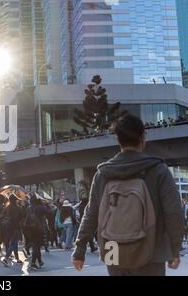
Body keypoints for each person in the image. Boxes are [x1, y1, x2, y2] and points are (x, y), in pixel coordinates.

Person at [72, 114, 185, 276]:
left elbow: (91, 213)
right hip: (152, 249)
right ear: (143, 138)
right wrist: (174, 248)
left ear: (118, 139)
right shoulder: (158, 170)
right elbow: (173, 212)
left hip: (113, 249)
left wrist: (80, 248)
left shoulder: (103, 174)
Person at [1, 194, 25, 266]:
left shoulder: (7, 207)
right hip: (16, 227)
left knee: (15, 243)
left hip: (8, 228)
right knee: (13, 243)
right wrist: (22, 206)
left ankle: (17, 258)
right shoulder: (17, 208)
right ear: (15, 200)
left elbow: (3, 215)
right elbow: (22, 216)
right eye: (17, 199)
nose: (18, 200)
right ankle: (5, 258)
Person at [24, 194, 46, 270]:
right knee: (36, 246)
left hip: (30, 229)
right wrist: (44, 203)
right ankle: (33, 262)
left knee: (36, 245)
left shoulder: (29, 208)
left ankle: (39, 261)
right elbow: (50, 212)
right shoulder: (40, 207)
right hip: (38, 229)